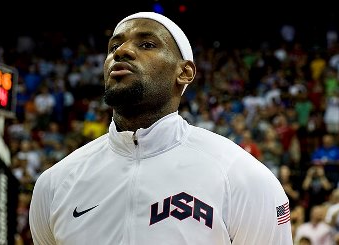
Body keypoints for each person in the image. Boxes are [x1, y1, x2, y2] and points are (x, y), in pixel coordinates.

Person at [29, 12, 293, 244]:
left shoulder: (242, 176)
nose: (121, 52)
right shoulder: (54, 183)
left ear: (185, 73)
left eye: (146, 44)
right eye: (114, 46)